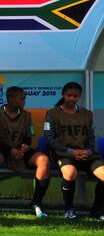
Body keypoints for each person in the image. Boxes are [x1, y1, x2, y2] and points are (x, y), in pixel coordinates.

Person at [0, 86, 50, 218]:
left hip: (20, 151)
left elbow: (28, 136)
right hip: (2, 150)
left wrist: (25, 146)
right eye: (21, 99)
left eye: (24, 99)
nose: (24, 101)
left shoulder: (27, 115)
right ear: (10, 99)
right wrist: (10, 150)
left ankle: (37, 203)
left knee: (43, 160)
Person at [44, 82, 104, 221]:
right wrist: (71, 151)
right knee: (70, 174)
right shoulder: (52, 114)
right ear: (63, 95)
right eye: (69, 95)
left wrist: (88, 151)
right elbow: (49, 138)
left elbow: (91, 136)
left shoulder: (87, 114)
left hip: (86, 155)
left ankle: (97, 209)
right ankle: (69, 208)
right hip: (64, 154)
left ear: (79, 97)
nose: (72, 98)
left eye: (75, 96)